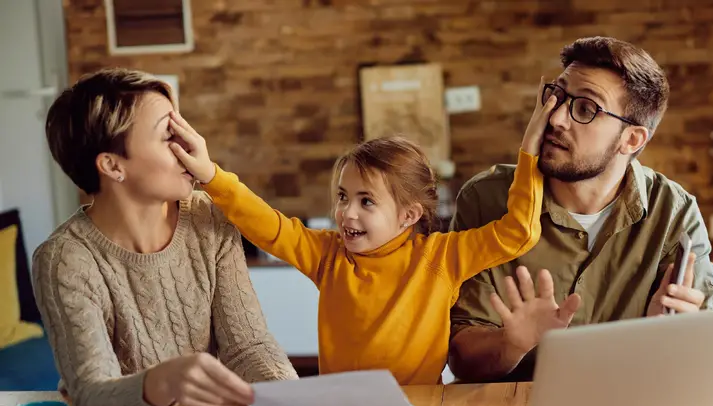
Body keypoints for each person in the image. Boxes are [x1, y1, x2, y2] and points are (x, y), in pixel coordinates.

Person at [168, 78, 558, 387]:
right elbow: (269, 226)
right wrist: (211, 176)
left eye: (366, 201)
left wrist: (529, 152)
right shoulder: (327, 254)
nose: (346, 213)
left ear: (408, 215)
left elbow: (518, 232)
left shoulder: (441, 257)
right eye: (342, 196)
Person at [33, 68, 323, 406]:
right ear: (112, 165)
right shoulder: (63, 261)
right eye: (169, 134)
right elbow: (93, 405)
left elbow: (247, 346)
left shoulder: (208, 216)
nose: (192, 147)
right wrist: (159, 383)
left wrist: (289, 397)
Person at [449, 36, 713, 383]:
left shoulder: (673, 212)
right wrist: (511, 344)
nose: (557, 118)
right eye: (558, 96)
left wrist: (675, 335)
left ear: (632, 139)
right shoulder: (485, 200)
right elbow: (460, 355)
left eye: (585, 108)